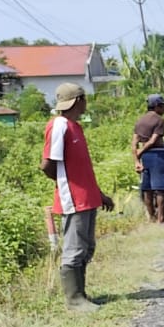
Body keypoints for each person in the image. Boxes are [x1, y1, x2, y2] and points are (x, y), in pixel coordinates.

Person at [40, 83, 115, 312]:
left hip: (87, 197)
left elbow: (83, 169)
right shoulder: (59, 126)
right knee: (74, 249)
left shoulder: (75, 127)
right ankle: (74, 300)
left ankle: (81, 294)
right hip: (73, 199)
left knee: (86, 247)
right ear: (79, 100)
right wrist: (65, 183)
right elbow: (47, 165)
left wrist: (99, 195)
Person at [132, 94, 164, 223]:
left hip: (145, 158)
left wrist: (137, 160)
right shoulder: (159, 120)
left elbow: (134, 143)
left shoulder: (140, 121)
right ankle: (160, 218)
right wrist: (141, 152)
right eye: (163, 106)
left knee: (147, 189)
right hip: (157, 155)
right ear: (157, 106)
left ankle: (151, 217)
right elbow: (153, 141)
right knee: (160, 188)